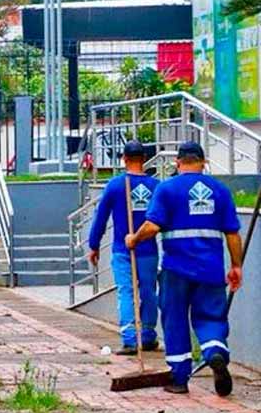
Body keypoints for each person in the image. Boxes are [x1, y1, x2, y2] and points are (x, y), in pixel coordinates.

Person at [127, 142, 243, 396]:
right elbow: (232, 234)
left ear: (178, 163)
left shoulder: (166, 188)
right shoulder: (220, 191)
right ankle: (215, 352)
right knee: (211, 317)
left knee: (175, 319)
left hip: (175, 269)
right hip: (211, 270)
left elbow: (152, 226)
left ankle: (180, 379)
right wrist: (236, 266)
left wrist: (133, 239)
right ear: (203, 162)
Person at [87, 140, 160, 355]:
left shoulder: (115, 185)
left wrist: (94, 245)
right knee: (148, 291)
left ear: (124, 159)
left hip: (122, 249)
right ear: (144, 159)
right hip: (148, 250)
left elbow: (100, 218)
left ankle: (129, 338)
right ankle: (147, 334)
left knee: (126, 291)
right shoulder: (155, 187)